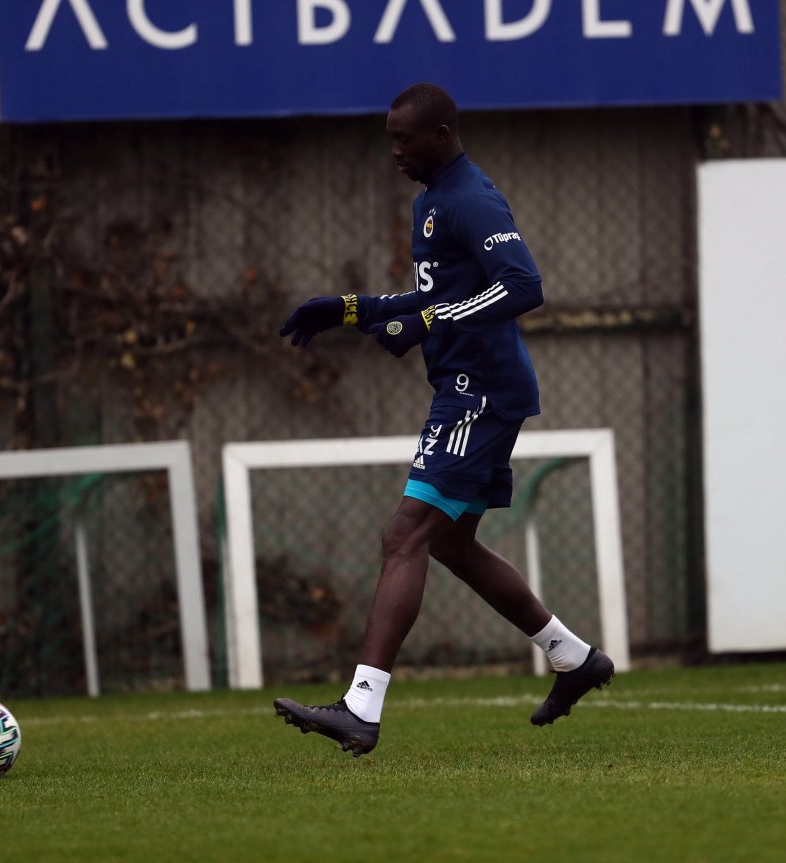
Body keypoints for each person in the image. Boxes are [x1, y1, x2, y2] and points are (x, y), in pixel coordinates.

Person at [273, 82, 614, 757]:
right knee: (452, 544)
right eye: (390, 140)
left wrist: (429, 321)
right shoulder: (430, 201)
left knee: (405, 534)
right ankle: (573, 657)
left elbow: (523, 285)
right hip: (465, 388)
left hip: (479, 391)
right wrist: (350, 309)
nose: (395, 152)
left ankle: (361, 707)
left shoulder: (470, 198)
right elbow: (437, 296)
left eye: (404, 140)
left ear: (442, 133)